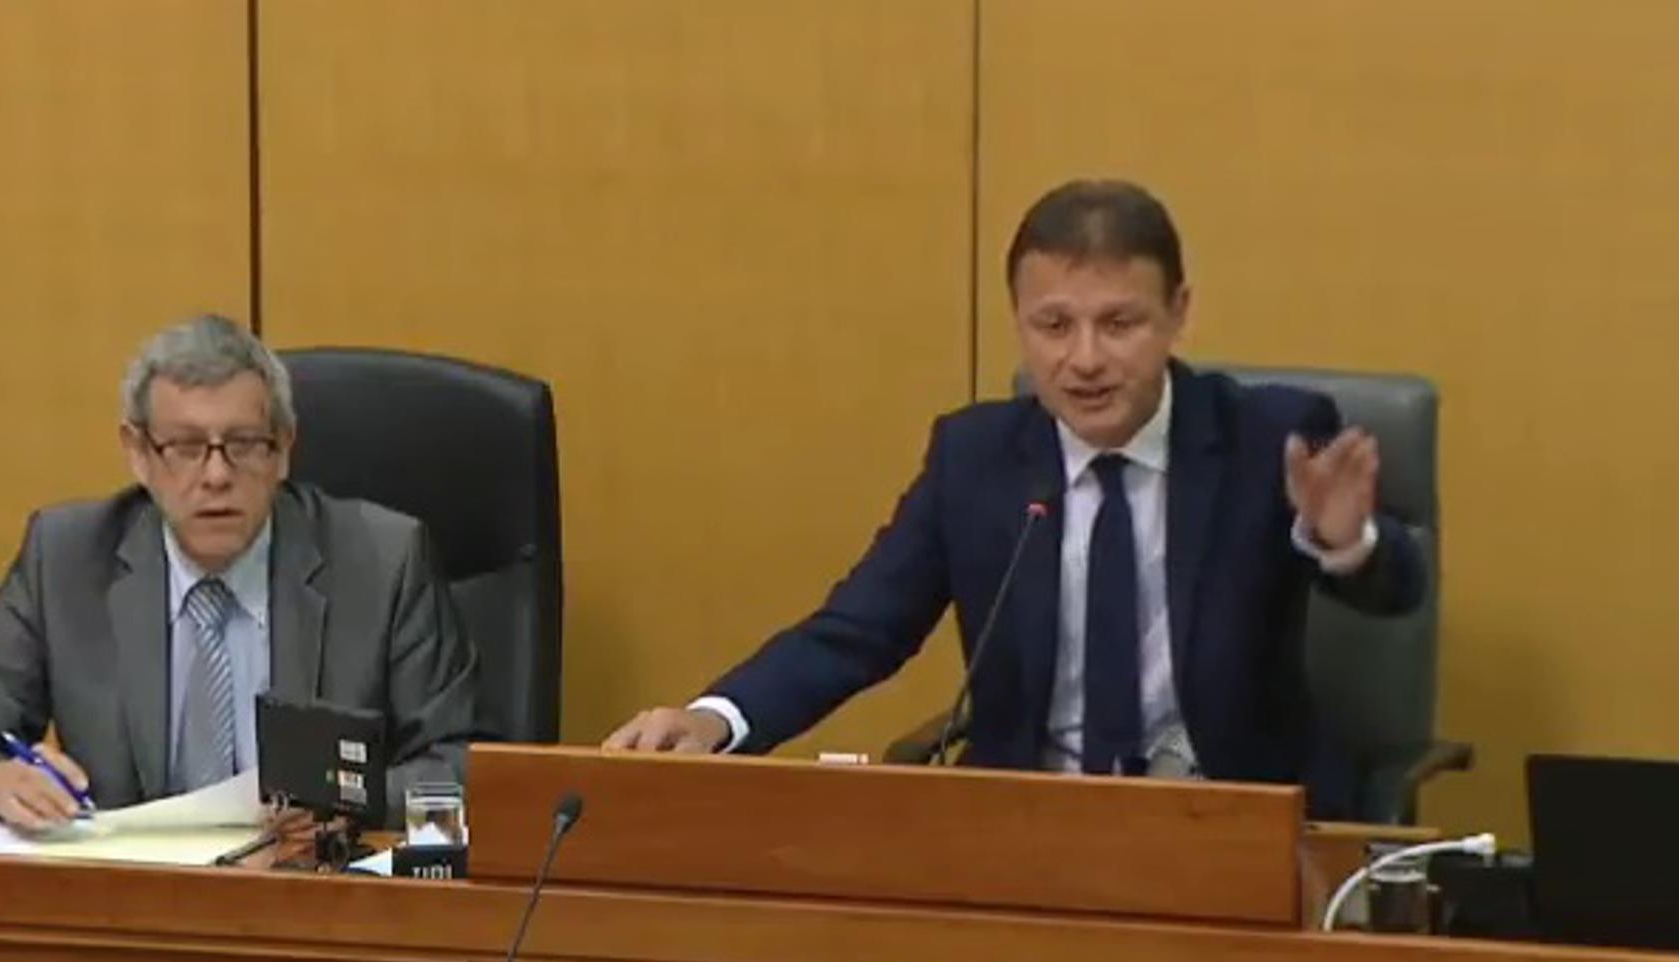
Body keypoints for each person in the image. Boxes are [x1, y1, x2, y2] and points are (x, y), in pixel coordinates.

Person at [605, 179, 1424, 805]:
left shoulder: (1266, 438)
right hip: (1028, 824)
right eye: (1054, 326)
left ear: (1179, 313)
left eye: (1119, 324)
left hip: (1229, 822)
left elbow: (1398, 591)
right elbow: (858, 630)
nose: (1085, 360)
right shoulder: (976, 459)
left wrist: (1346, 544)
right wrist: (717, 720)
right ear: (1019, 320)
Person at [0, 314, 475, 831]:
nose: (216, 475)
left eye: (244, 444)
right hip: (129, 876)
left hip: (308, 874)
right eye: (186, 447)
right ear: (138, 453)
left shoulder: (383, 562)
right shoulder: (65, 559)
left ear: (283, 449)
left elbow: (458, 769)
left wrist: (342, 802)